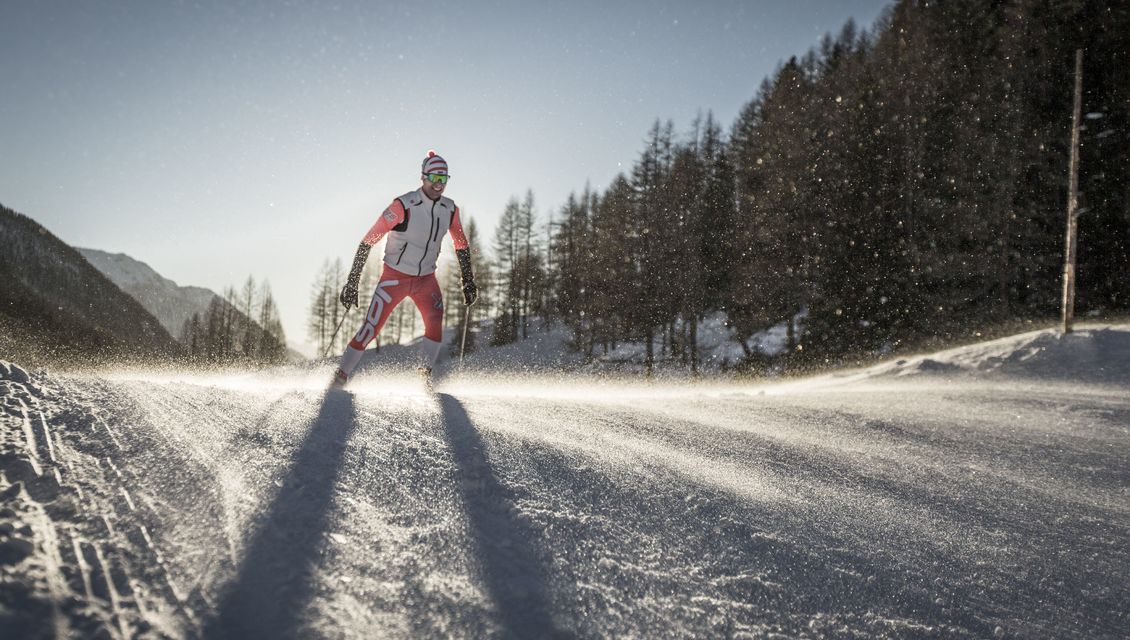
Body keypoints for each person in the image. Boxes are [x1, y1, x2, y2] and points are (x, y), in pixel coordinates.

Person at [332, 150, 477, 387]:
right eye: (434, 178)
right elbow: (369, 240)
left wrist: (468, 280)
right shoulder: (404, 205)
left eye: (444, 179)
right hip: (395, 277)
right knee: (371, 328)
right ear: (423, 177)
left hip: (426, 279)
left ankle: (424, 377)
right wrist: (352, 281)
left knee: (434, 323)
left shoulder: (450, 210)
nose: (439, 184)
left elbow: (461, 245)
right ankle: (340, 378)